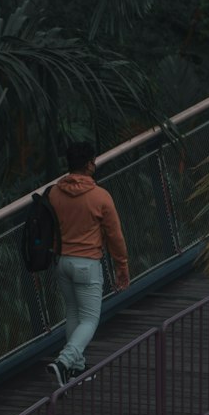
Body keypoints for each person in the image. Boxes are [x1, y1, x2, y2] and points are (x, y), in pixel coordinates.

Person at [45, 140, 130, 387]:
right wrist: (122, 266)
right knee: (90, 319)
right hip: (87, 265)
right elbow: (115, 236)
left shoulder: (54, 193)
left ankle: (76, 369)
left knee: (73, 313)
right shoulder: (100, 197)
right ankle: (63, 362)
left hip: (62, 262)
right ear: (90, 164)